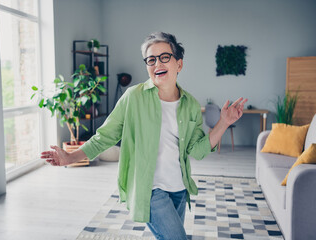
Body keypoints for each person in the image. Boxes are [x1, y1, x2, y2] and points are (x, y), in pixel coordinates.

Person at [41, 32, 248, 240]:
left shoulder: (191, 105)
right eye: (151, 59)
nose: (157, 63)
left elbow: (198, 150)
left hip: (179, 188)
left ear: (179, 64)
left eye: (164, 57)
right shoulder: (133, 97)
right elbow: (105, 136)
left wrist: (224, 123)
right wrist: (71, 157)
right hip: (149, 188)